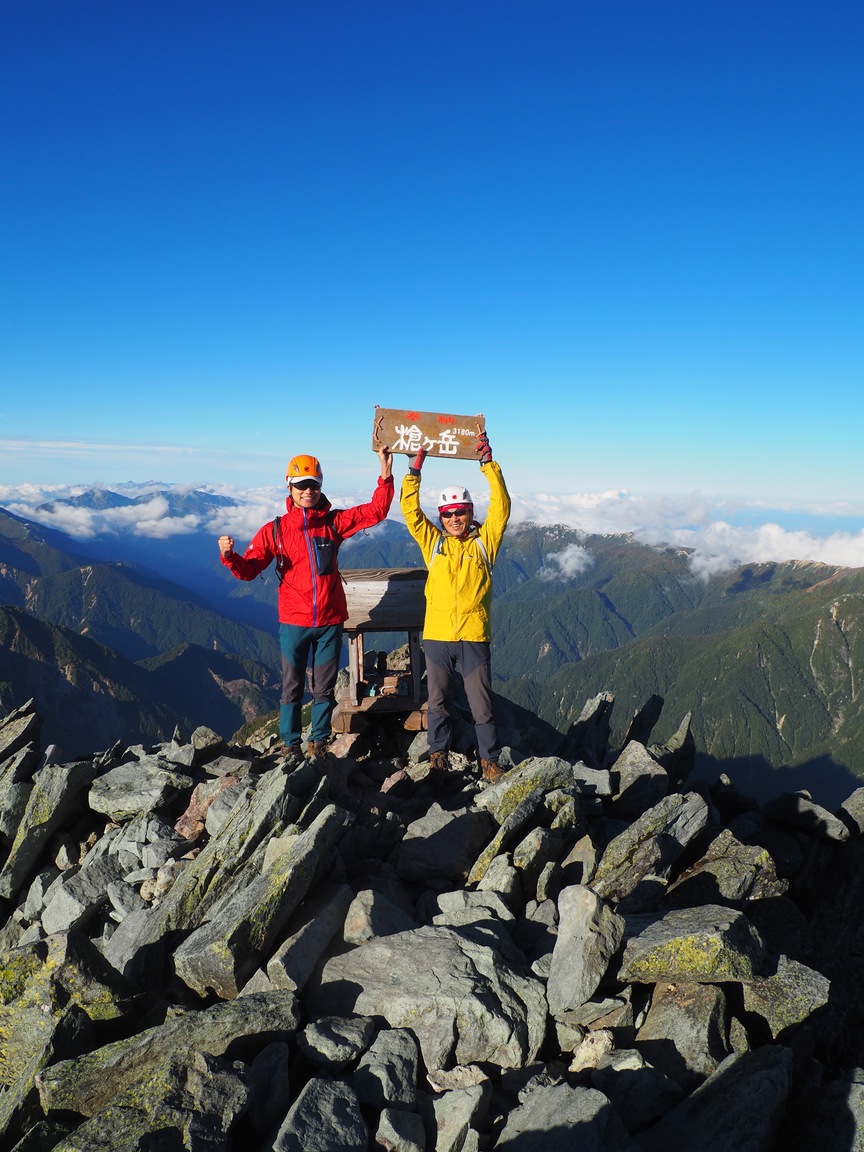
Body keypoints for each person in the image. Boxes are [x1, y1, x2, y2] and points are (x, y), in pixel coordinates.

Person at [218, 448, 394, 762]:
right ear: (290, 487)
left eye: (313, 484)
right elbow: (250, 570)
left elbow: (376, 511)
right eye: (301, 485)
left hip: (329, 622)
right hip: (294, 623)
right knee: (292, 687)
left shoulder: (334, 522)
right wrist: (230, 558)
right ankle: (290, 744)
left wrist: (385, 474)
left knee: (323, 689)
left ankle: (319, 743)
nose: (308, 491)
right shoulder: (275, 530)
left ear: (321, 485)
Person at [400, 429, 510, 782]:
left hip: (474, 634)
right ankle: (438, 755)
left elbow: (502, 506)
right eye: (447, 514)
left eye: (460, 512)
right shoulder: (433, 543)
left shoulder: (485, 543)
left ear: (469, 512)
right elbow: (410, 512)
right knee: (438, 701)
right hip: (438, 636)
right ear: (441, 517)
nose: (454, 519)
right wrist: (414, 472)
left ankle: (489, 761)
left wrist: (488, 465)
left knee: (481, 704)